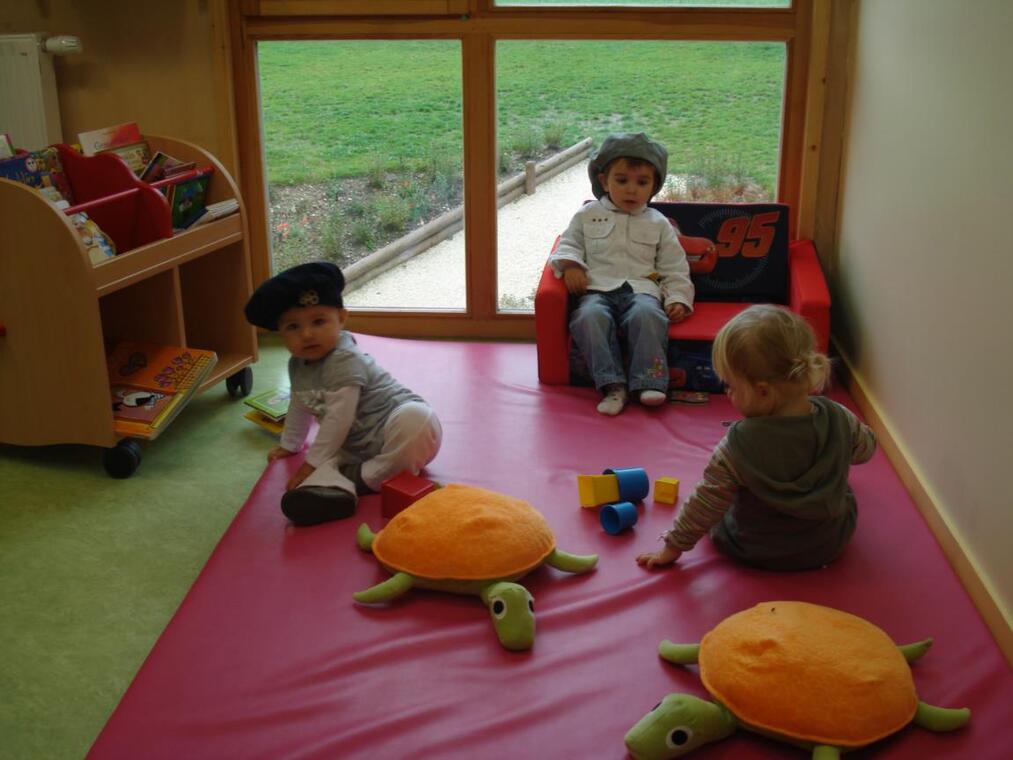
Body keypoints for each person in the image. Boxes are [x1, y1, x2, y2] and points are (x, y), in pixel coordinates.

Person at [636, 304, 876, 571]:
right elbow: (865, 450)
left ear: (763, 391)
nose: (727, 393)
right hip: (827, 543)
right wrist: (837, 448)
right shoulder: (839, 417)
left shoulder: (737, 445)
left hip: (754, 547)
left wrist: (673, 546)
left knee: (719, 510)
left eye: (731, 386)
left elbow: (705, 503)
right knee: (846, 493)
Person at [244, 262, 442, 526]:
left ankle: (359, 480)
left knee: (416, 418)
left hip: (396, 430)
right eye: (292, 327)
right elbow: (299, 404)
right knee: (329, 459)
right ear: (280, 332)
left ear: (342, 318)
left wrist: (310, 464)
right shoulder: (297, 364)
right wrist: (290, 445)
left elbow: (339, 418)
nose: (306, 334)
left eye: (318, 321)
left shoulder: (343, 359)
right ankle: (336, 492)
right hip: (357, 445)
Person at [549, 132, 694, 416]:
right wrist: (571, 265)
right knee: (588, 318)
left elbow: (674, 266)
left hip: (642, 290)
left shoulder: (658, 223)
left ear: (654, 186)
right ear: (604, 181)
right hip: (597, 290)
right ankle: (612, 385)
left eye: (642, 183)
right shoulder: (587, 215)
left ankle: (649, 382)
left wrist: (678, 297)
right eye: (622, 180)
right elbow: (567, 244)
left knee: (648, 316)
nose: (631, 190)